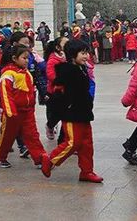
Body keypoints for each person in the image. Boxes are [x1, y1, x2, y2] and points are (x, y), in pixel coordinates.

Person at [41, 39, 103, 183]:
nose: (86, 56)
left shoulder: (82, 68)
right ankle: (50, 160)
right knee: (73, 143)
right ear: (72, 55)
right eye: (82, 53)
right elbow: (60, 95)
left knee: (87, 144)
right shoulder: (67, 72)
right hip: (71, 114)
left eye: (86, 53)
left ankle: (87, 171)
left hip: (84, 113)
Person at [0, 45, 47, 168]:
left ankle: (40, 159)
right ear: (14, 58)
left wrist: (32, 107)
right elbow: (6, 94)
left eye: (28, 58)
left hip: (27, 112)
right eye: (24, 58)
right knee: (7, 136)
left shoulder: (27, 73)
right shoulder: (8, 74)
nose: (27, 61)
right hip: (12, 113)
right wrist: (10, 112)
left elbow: (31, 91)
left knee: (32, 135)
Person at [44, 36, 68, 140]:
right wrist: (61, 80)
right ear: (58, 48)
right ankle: (50, 126)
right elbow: (50, 75)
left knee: (66, 114)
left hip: (66, 90)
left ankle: (65, 138)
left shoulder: (68, 56)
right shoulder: (53, 60)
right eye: (65, 44)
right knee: (56, 113)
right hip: (55, 91)